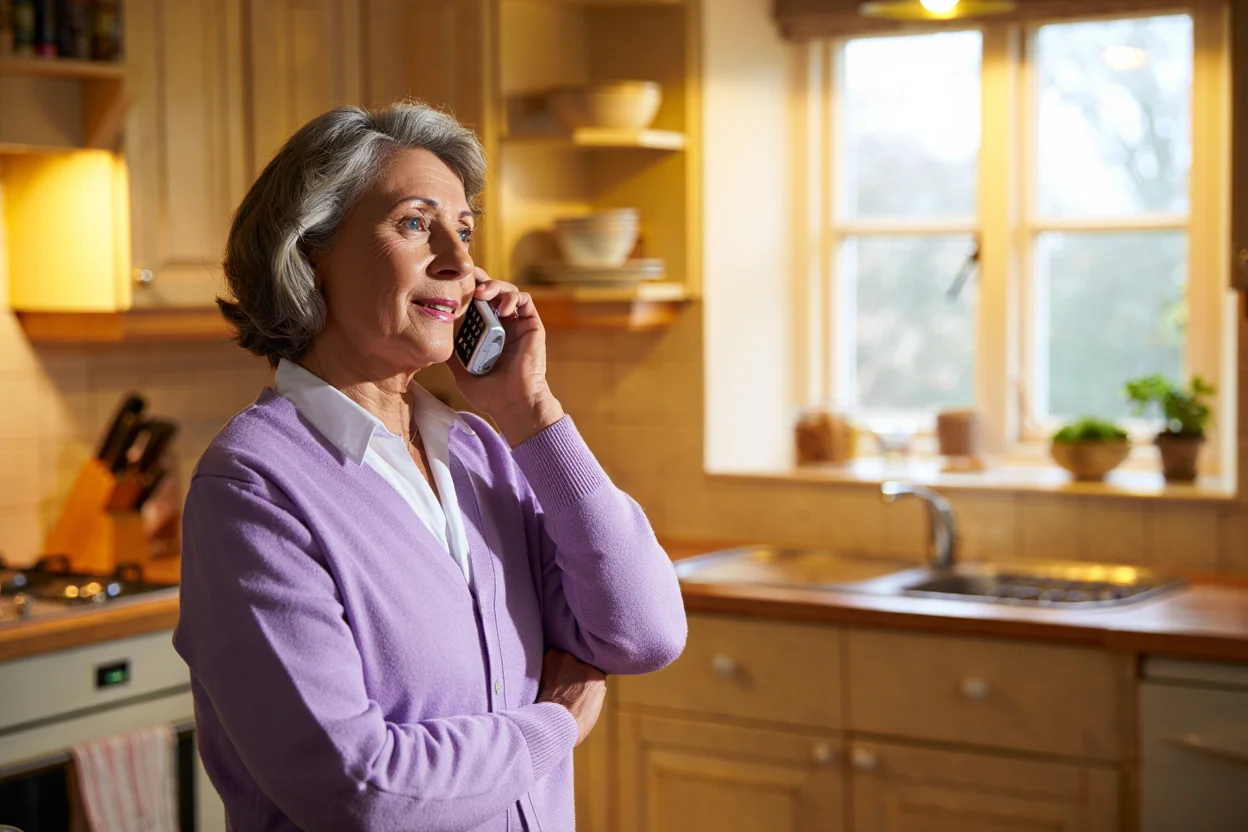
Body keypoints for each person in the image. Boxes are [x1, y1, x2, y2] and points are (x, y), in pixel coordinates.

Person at [173, 101, 687, 831]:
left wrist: (530, 412)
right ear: (310, 254)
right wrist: (554, 725)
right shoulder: (253, 489)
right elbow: (359, 790)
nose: (460, 261)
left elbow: (643, 631)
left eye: (465, 230)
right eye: (416, 224)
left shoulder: (480, 453)